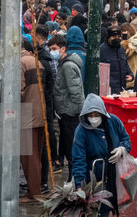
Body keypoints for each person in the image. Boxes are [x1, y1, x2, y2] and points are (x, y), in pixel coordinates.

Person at [71, 94, 131, 216]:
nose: (94, 118)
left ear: (102, 114)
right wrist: (79, 186)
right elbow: (78, 160)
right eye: (90, 115)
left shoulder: (113, 122)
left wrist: (122, 149)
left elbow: (126, 140)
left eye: (96, 115)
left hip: (112, 177)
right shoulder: (81, 131)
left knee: (109, 207)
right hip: (92, 180)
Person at [49, 34, 84, 178]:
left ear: (63, 49)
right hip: (66, 112)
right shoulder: (64, 64)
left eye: (54, 48)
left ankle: (74, 179)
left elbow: (75, 92)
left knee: (71, 149)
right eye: (50, 48)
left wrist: (73, 111)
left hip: (70, 114)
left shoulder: (68, 66)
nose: (52, 51)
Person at [19, 38, 48, 203]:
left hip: (26, 116)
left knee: (29, 157)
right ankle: (35, 189)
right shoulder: (37, 62)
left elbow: (19, 92)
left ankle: (33, 192)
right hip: (39, 113)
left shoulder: (20, 63)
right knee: (36, 154)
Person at [100, 27, 133, 93]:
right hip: (108, 89)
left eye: (119, 36)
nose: (117, 38)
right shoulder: (102, 50)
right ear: (109, 37)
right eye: (114, 36)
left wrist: (131, 75)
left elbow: (125, 64)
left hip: (121, 88)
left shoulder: (121, 49)